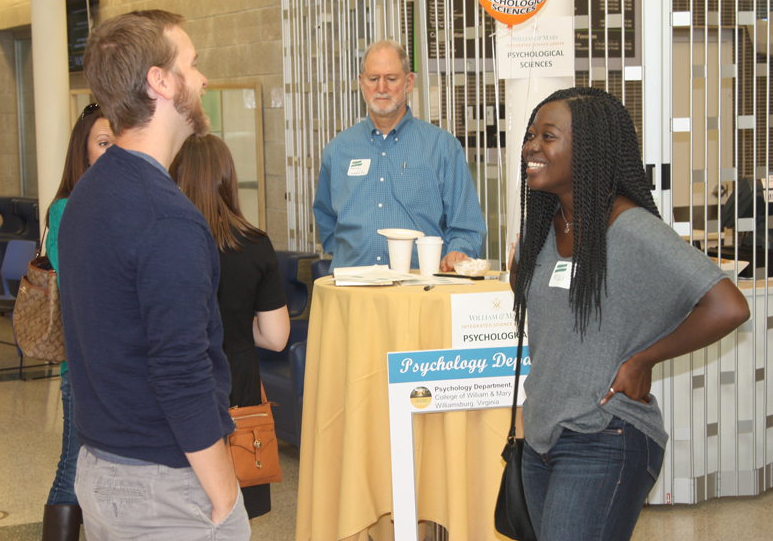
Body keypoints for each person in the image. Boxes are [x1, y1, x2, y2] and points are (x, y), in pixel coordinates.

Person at [508, 87, 750, 541]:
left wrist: (644, 359)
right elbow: (533, 298)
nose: (531, 148)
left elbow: (728, 305)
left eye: (548, 136)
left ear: (590, 149)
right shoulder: (542, 226)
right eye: (530, 136)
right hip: (541, 437)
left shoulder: (632, 228)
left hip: (605, 436)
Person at [58, 10, 250, 540]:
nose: (204, 78)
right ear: (160, 82)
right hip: (163, 490)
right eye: (192, 64)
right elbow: (181, 374)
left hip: (102, 472)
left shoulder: (88, 197)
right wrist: (224, 497)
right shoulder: (166, 218)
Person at [170, 133, 290, 519]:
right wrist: (238, 328)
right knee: (234, 511)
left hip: (181, 388)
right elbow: (276, 337)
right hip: (237, 386)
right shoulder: (255, 244)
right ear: (228, 179)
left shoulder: (168, 242)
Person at [313, 39, 486, 272]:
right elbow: (325, 219)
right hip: (352, 288)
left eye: (391, 79)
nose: (381, 88)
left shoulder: (442, 147)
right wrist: (352, 255)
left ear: (408, 82)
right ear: (362, 83)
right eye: (373, 79)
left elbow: (467, 227)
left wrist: (459, 250)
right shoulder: (338, 149)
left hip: (419, 290)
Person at [41, 103, 114, 541]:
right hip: (84, 364)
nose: (113, 152)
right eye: (103, 143)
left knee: (93, 468)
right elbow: (84, 291)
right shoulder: (68, 209)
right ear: (82, 152)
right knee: (73, 463)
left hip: (109, 364)